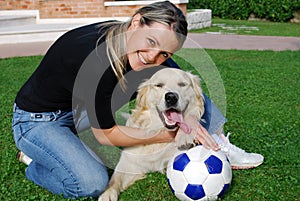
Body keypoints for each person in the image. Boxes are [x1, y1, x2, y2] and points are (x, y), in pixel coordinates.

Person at [12, 1, 263, 199]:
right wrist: (165, 135)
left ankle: (219, 144)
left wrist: (190, 118)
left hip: (81, 111)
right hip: (39, 120)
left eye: (164, 52)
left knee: (182, 85)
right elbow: (106, 135)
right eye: (150, 42)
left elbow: (178, 83)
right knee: (92, 183)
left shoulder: (146, 53)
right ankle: (35, 161)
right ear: (136, 23)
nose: (151, 57)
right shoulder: (96, 61)